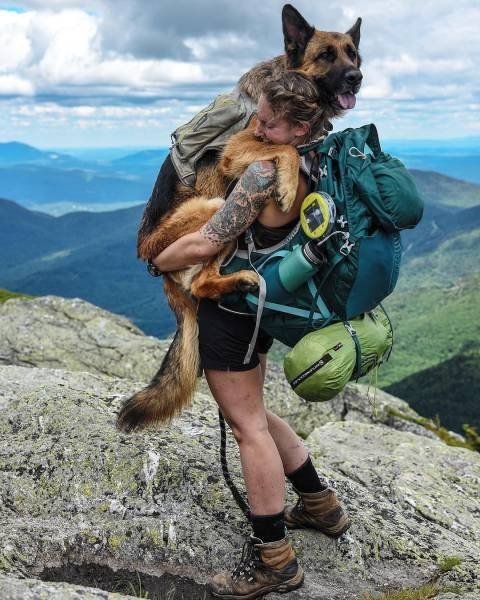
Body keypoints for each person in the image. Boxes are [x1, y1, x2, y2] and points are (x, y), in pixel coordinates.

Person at [152, 72, 350, 599]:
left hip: (234, 308)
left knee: (247, 430)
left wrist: (158, 259)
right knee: (255, 413)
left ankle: (275, 561)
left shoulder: (265, 173)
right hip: (265, 301)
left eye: (269, 122)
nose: (257, 128)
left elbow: (205, 242)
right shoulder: (321, 159)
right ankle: (320, 505)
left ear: (301, 127)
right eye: (257, 116)